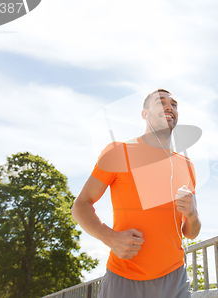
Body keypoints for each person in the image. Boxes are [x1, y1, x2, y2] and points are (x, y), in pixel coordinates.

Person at [72, 89, 201, 298]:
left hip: (175, 278)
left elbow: (190, 232)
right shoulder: (118, 152)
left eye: (174, 104)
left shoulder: (186, 165)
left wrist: (194, 215)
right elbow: (80, 205)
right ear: (145, 114)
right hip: (125, 279)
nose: (170, 107)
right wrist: (109, 237)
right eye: (161, 102)